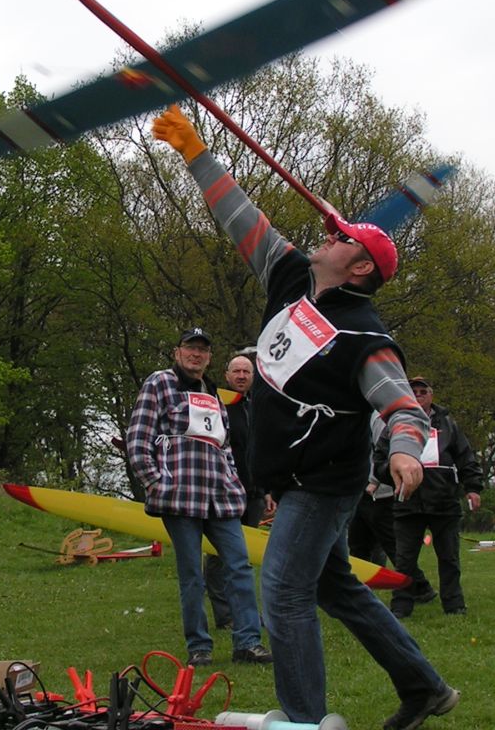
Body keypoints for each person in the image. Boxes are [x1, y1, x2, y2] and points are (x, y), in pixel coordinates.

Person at [153, 105, 457, 730]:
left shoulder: (363, 335)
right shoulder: (291, 277)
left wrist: (404, 448)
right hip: (289, 477)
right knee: (332, 587)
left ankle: (300, 721)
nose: (328, 232)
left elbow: (400, 403)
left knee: (285, 592)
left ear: (362, 267)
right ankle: (425, 688)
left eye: (342, 237)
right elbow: (240, 216)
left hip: (325, 483)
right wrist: (194, 150)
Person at [126, 329, 272, 667]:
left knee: (239, 566)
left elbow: (225, 444)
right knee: (191, 573)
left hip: (220, 496)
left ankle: (248, 642)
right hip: (179, 496)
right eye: (190, 348)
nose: (196, 355)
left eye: (202, 350)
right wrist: (155, 483)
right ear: (178, 352)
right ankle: (199, 646)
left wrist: (235, 483)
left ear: (209, 357)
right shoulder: (159, 383)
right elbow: (138, 437)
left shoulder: (213, 393)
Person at [378, 377, 483, 619]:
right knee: (404, 561)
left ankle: (454, 605)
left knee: (449, 557)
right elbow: (379, 462)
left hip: (444, 501)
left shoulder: (448, 424)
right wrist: (395, 475)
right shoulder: (393, 425)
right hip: (408, 503)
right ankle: (401, 607)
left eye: (423, 391)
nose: (418, 395)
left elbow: (465, 457)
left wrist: (473, 487)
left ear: (431, 395)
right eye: (413, 391)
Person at [203, 352, 274, 630]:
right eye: (237, 372)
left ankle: (245, 613)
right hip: (222, 493)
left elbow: (262, 450)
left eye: (246, 372)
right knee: (219, 556)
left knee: (244, 558)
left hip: (253, 494)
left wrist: (267, 488)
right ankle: (225, 615)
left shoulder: (258, 406)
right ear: (227, 376)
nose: (241, 376)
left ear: (253, 377)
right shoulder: (215, 405)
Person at [348, 411, 399, 568]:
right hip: (357, 488)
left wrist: (374, 481)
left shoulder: (378, 416)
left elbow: (382, 450)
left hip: (378, 492)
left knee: (391, 544)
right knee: (358, 544)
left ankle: (415, 586)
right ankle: (360, 586)